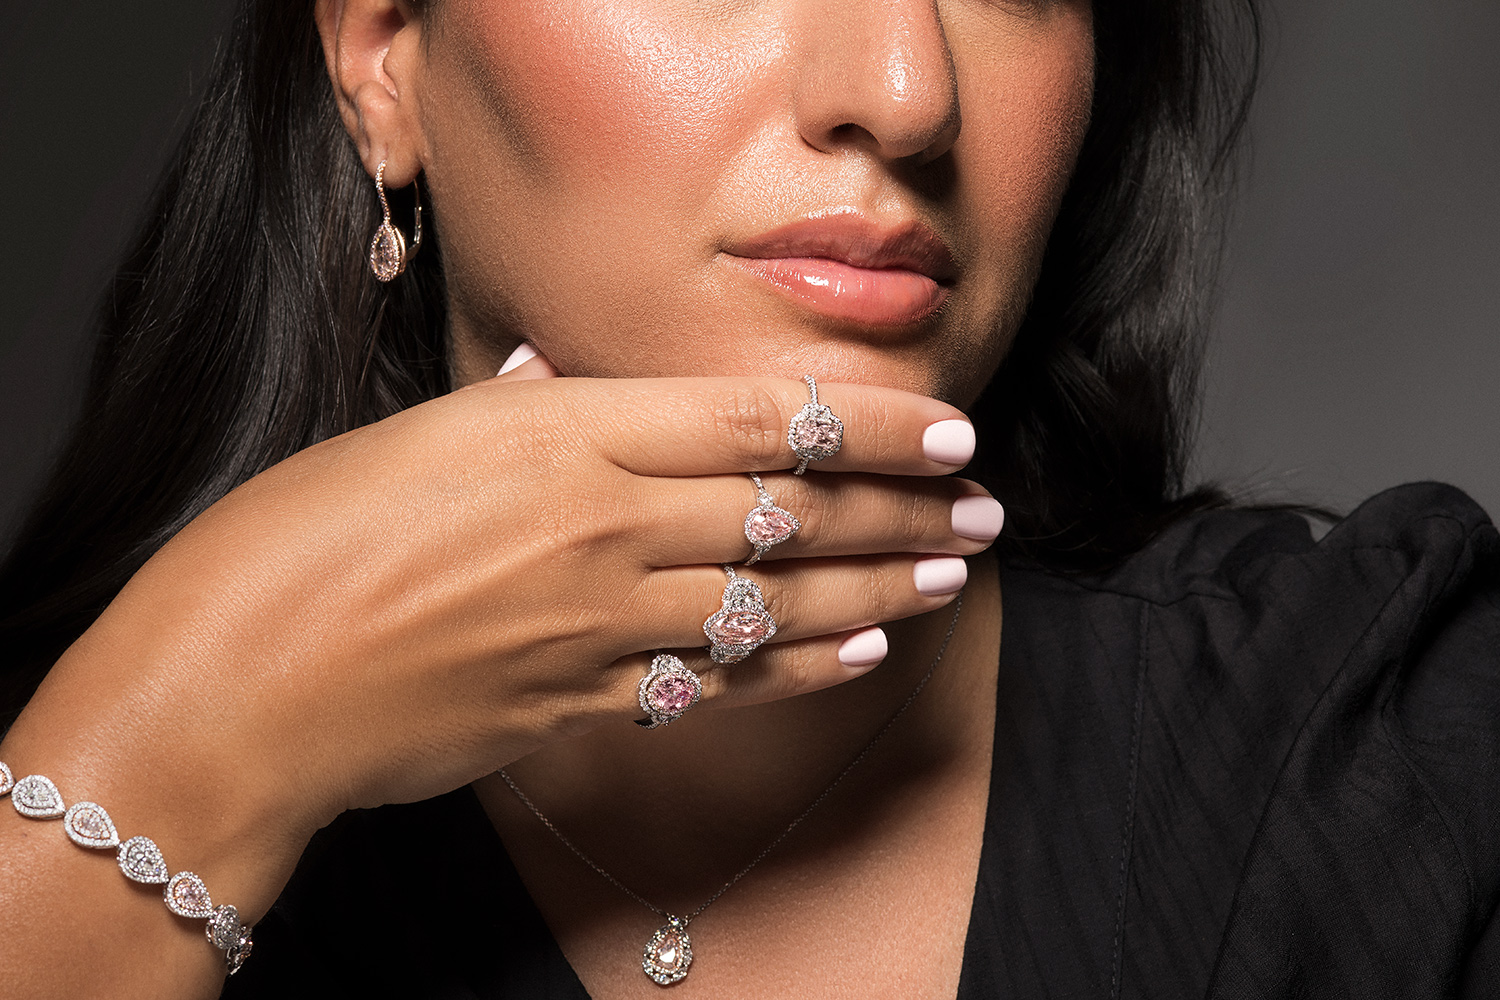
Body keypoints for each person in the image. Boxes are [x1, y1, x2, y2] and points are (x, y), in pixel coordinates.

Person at [0, 0, 1495, 997]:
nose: (906, 93)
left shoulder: (1381, 739)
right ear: (388, 58)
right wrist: (190, 748)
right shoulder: (66, 768)